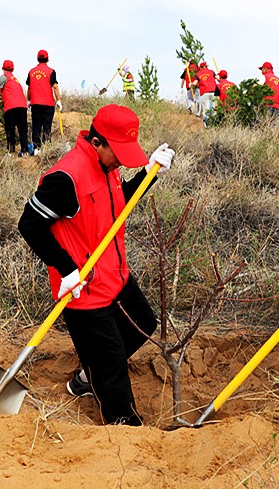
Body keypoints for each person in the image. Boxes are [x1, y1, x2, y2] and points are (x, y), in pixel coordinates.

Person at [18, 104, 175, 426]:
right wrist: (66, 269)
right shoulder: (66, 178)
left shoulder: (108, 168)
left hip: (114, 275)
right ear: (96, 141)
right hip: (83, 289)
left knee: (143, 323)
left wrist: (149, 173)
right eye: (117, 152)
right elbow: (29, 225)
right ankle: (125, 428)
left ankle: (88, 377)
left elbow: (119, 202)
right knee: (111, 361)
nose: (121, 159)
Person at [0, 60, 31, 156]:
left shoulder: (3, 77)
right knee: (22, 130)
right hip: (22, 106)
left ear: (3, 68)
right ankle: (25, 151)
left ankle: (11, 152)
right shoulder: (15, 79)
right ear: (13, 69)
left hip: (11, 107)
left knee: (10, 129)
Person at [26, 49, 61, 153]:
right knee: (47, 127)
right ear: (47, 59)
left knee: (36, 127)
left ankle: (36, 149)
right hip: (48, 104)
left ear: (37, 59)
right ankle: (46, 149)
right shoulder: (51, 71)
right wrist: (58, 100)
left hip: (35, 104)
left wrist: (29, 100)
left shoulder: (31, 72)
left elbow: (29, 88)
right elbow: (55, 86)